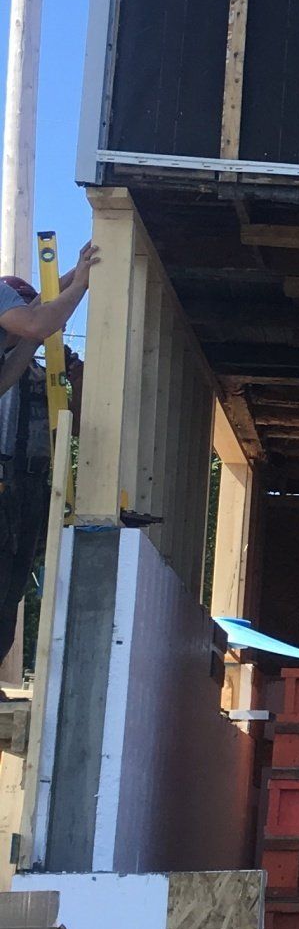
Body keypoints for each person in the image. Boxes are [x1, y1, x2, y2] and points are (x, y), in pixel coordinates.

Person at [0, 242, 97, 661]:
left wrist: (74, 276)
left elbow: (24, 344)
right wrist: (82, 286)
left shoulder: (12, 358)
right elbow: (37, 324)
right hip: (7, 473)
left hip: (26, 479)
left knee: (11, 578)